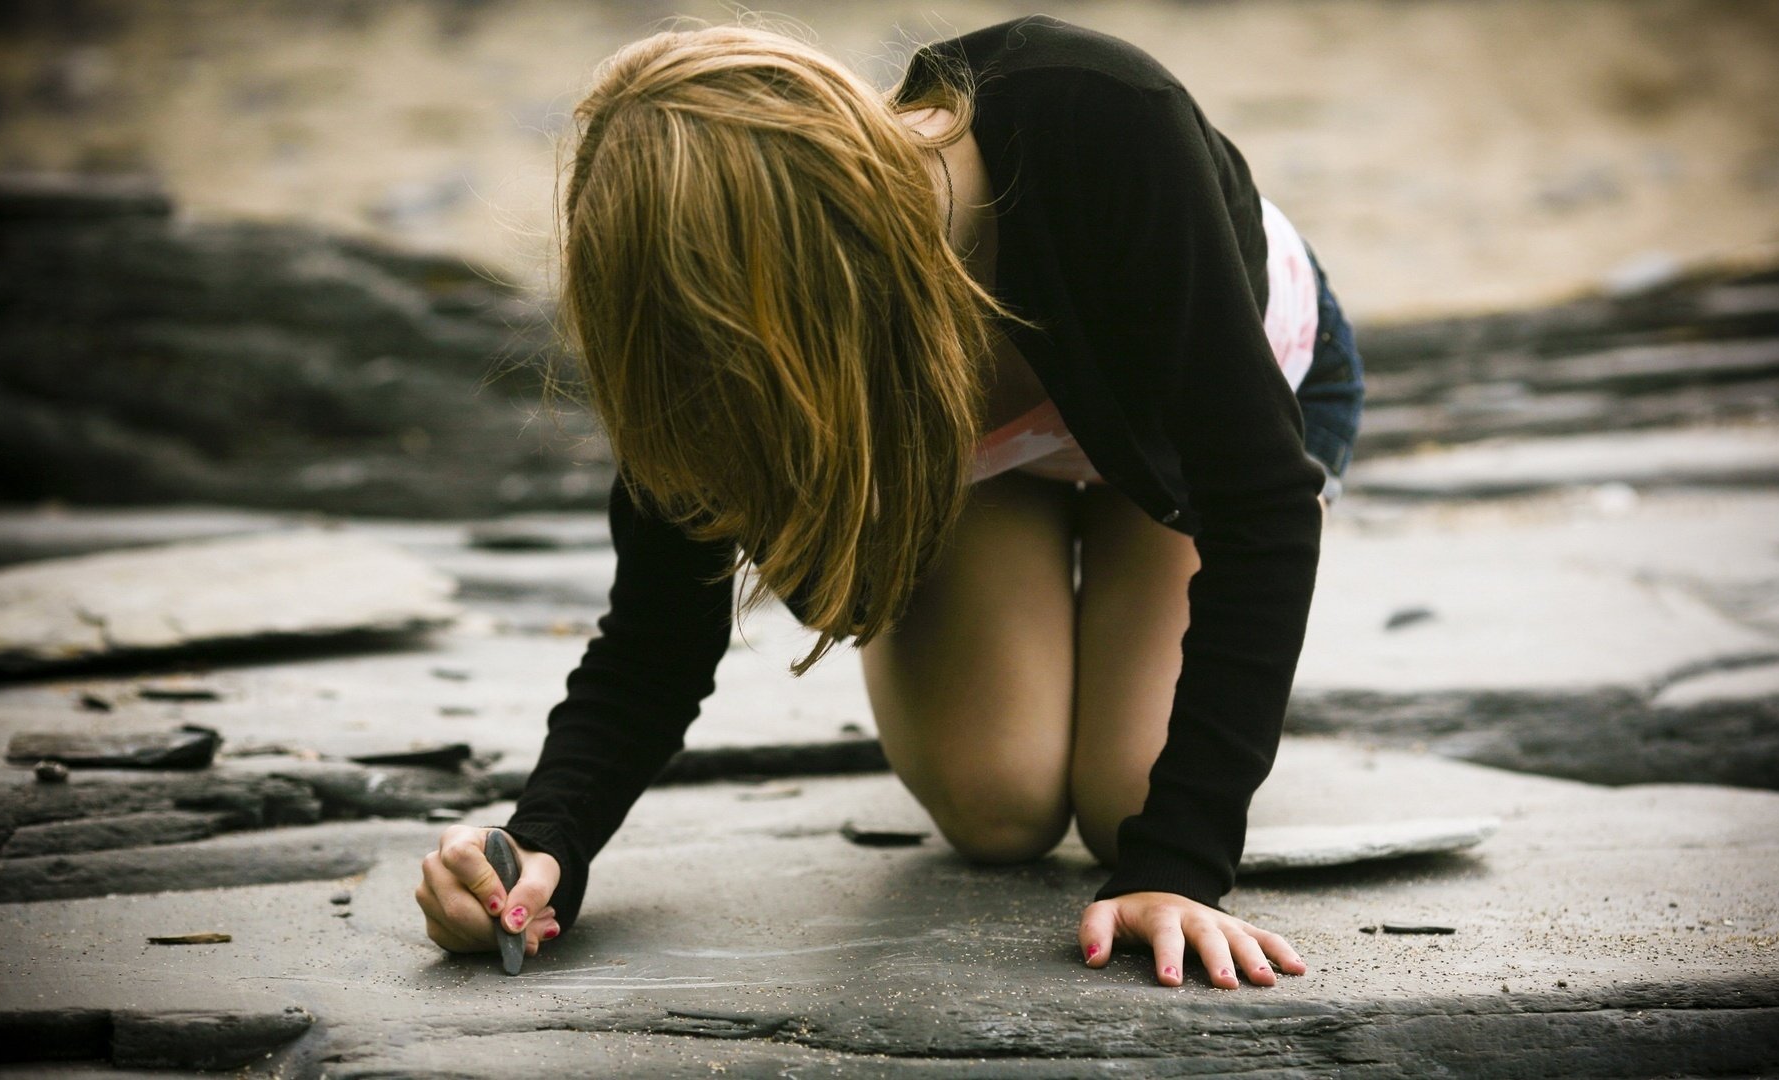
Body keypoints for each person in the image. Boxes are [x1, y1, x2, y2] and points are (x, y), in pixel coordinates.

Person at [415, 14, 1365, 990]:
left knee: (1132, 801)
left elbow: (1260, 507)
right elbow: (656, 633)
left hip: (1196, 439)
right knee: (999, 807)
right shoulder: (706, 329)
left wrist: (1179, 868)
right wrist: (543, 849)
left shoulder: (1098, 115)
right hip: (986, 471)